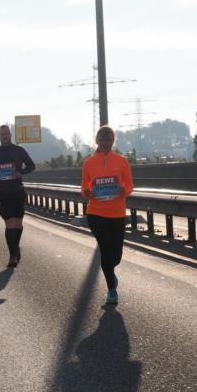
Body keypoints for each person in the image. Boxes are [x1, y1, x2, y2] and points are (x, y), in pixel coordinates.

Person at [81, 125, 134, 305]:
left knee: (116, 255)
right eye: (102, 140)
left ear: (113, 141)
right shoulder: (89, 163)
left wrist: (123, 190)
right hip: (96, 213)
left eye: (109, 140)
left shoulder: (122, 161)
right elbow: (84, 188)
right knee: (105, 250)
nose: (105, 143)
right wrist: (87, 193)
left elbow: (130, 187)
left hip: (117, 213)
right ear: (97, 141)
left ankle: (110, 272)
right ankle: (112, 290)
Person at [0, 124, 36, 268]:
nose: (4, 136)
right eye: (2, 134)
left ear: (10, 134)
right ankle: (12, 255)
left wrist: (21, 173)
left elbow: (31, 166)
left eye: (6, 133)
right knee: (9, 224)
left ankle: (16, 247)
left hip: (18, 191)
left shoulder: (19, 150)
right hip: (2, 192)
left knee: (18, 224)